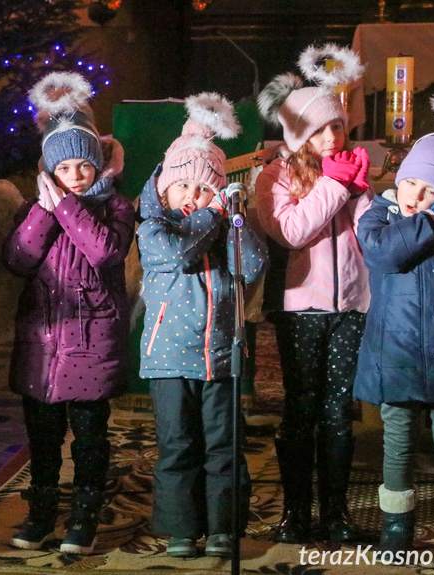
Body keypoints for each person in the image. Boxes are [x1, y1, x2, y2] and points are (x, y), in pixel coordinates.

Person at [3, 71, 135, 555]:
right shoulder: (33, 209)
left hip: (89, 343)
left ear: (98, 164)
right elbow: (18, 259)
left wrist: (67, 211)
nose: (76, 177)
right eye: (66, 169)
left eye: (85, 166)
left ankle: (84, 513)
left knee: (88, 438)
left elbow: (104, 253)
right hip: (42, 343)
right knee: (41, 438)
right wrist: (42, 210)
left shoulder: (115, 208)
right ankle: (40, 511)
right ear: (49, 172)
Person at [138, 92, 266, 558]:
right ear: (165, 189)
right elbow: (178, 255)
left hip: (221, 357)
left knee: (224, 447)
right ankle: (181, 528)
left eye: (203, 188)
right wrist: (214, 213)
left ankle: (222, 528)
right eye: (184, 188)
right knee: (178, 446)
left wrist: (235, 217)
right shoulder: (154, 228)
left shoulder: (222, 227)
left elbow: (252, 265)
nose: (192, 198)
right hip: (169, 359)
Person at [255, 43, 371, 544]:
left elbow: (368, 238)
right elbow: (293, 232)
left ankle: (337, 511)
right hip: (301, 307)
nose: (331, 136)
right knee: (301, 407)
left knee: (338, 411)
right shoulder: (274, 176)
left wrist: (367, 195)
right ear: (299, 134)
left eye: (337, 126)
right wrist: (336, 186)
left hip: (351, 305)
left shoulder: (350, 173)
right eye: (320, 128)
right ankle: (296, 511)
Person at [354, 88, 434, 568]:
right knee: (397, 442)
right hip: (395, 354)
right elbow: (384, 253)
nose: (417, 198)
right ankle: (396, 528)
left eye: (432, 192)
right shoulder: (379, 215)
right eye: (411, 185)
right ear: (398, 181)